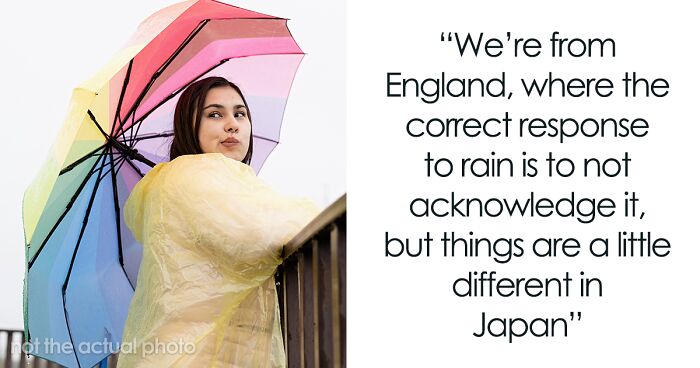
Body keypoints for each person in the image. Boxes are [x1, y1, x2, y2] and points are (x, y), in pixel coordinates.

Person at [117, 76, 319, 367]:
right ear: (190, 125)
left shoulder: (200, 180)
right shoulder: (191, 176)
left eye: (240, 114)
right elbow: (261, 234)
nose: (232, 124)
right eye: (215, 114)